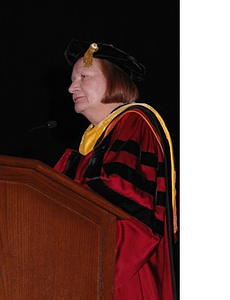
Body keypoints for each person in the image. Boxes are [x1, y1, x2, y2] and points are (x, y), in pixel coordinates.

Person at [54, 39, 178, 300]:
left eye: (83, 76)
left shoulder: (135, 122)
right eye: (72, 79)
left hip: (123, 273)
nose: (71, 87)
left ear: (114, 80)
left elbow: (128, 202)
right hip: (89, 270)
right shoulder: (93, 140)